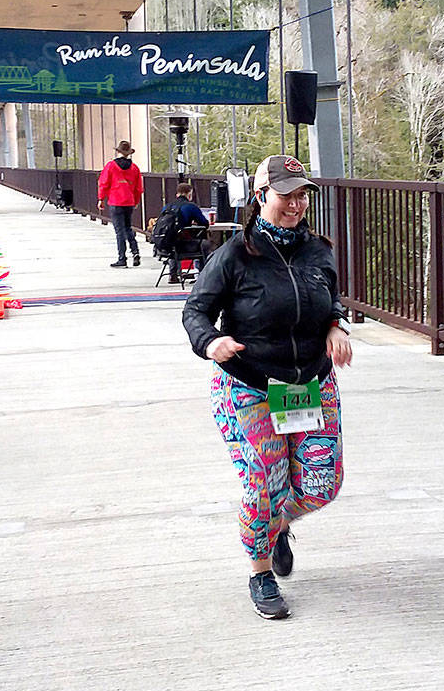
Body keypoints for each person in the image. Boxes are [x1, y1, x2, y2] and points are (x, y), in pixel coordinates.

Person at [182, 154, 353, 620]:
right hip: (251, 383)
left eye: (302, 195)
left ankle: (272, 526)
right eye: (286, 195)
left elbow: (328, 297)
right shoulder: (235, 254)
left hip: (310, 383)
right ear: (261, 197)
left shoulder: (318, 249)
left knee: (323, 484)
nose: (296, 204)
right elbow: (195, 310)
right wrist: (211, 340)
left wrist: (337, 325)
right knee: (264, 482)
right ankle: (261, 573)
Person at [97, 140, 144, 268]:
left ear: (118, 151)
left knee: (119, 231)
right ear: (129, 153)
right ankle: (135, 253)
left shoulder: (111, 166)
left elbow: (104, 183)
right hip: (129, 201)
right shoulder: (134, 168)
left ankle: (122, 258)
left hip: (115, 201)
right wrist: (136, 201)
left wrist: (101, 198)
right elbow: (138, 188)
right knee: (128, 228)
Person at [162, 183, 214, 283]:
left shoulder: (167, 207)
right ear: (189, 194)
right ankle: (203, 276)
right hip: (183, 247)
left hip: (165, 246)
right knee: (205, 244)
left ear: (177, 193)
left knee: (173, 239)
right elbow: (204, 224)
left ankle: (173, 275)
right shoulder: (190, 206)